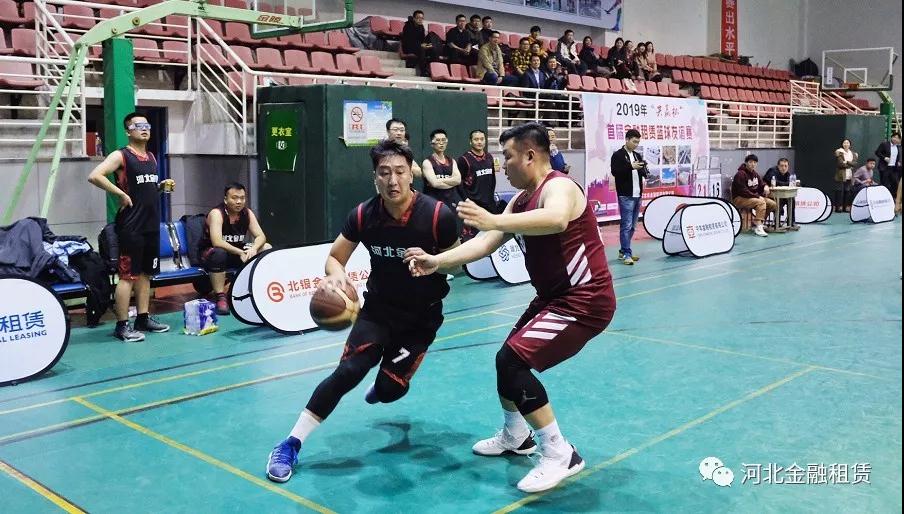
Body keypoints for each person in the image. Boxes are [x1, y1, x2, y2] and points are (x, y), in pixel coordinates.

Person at [404, 122, 616, 493]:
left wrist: (495, 219)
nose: (503, 165)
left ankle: (560, 453)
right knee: (506, 360)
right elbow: (485, 243)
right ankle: (516, 436)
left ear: (530, 156)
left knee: (512, 362)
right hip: (553, 299)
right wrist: (437, 261)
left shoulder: (560, 187)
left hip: (585, 300)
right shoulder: (520, 201)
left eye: (508, 156)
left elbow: (556, 219)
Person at [264, 139, 460, 483]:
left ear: (411, 174)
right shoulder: (362, 215)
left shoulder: (437, 216)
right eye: (384, 173)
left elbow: (458, 263)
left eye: (399, 171)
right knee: (348, 372)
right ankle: (290, 444)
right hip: (378, 311)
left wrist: (435, 262)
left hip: (421, 319)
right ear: (375, 178)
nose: (392, 180)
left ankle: (385, 384)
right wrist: (336, 277)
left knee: (389, 390)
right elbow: (335, 257)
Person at [87, 112, 173, 342]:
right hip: (131, 226)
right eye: (138, 126)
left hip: (151, 225)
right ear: (128, 131)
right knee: (128, 276)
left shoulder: (152, 157)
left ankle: (142, 318)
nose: (144, 129)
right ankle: (122, 325)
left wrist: (160, 186)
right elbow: (95, 176)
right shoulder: (121, 155)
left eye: (147, 125)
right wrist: (120, 194)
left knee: (145, 274)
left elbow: (143, 190)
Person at [200, 182, 272, 315]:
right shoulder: (217, 213)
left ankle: (257, 289)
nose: (239, 201)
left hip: (235, 252)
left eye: (242, 198)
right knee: (219, 253)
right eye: (234, 198)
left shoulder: (247, 213)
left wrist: (253, 249)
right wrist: (240, 252)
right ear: (225, 199)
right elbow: (217, 242)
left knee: (266, 248)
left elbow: (261, 236)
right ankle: (220, 296)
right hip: (211, 253)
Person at [610, 129, 647, 264]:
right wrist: (631, 166)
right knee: (626, 225)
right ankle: (627, 253)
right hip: (626, 195)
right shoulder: (618, 155)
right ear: (627, 140)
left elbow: (641, 172)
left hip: (637, 194)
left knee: (633, 226)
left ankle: (623, 250)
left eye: (638, 142)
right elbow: (615, 171)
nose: (636, 144)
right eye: (634, 141)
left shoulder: (637, 155)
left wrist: (643, 168)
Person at [732, 154, 776, 237]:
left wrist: (765, 186)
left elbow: (762, 183)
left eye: (755, 162)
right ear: (746, 163)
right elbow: (743, 191)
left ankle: (759, 222)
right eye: (750, 162)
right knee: (761, 202)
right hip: (739, 198)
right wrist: (757, 196)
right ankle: (758, 226)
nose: (753, 164)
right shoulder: (740, 174)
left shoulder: (755, 174)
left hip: (751, 197)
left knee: (772, 204)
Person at [762, 158, 799, 230]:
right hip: (768, 195)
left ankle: (791, 222)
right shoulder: (772, 171)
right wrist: (787, 184)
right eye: (782, 166)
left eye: (786, 166)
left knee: (791, 200)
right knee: (780, 200)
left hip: (780, 195)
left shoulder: (788, 174)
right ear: (778, 166)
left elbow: (790, 183)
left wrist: (787, 183)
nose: (784, 168)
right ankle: (777, 223)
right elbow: (776, 183)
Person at [400, 10, 437, 77]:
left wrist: (426, 44)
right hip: (408, 47)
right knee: (421, 49)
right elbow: (408, 41)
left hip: (418, 46)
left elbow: (422, 39)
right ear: (414, 18)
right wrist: (421, 45)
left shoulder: (421, 27)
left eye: (422, 18)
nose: (420, 20)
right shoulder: (408, 26)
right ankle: (423, 71)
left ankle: (433, 71)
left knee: (432, 44)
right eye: (418, 18)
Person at [834, 139, 858, 212]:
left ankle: (845, 207)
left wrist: (847, 162)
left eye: (847, 143)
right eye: (844, 143)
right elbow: (840, 164)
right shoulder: (839, 152)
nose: (846, 144)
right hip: (841, 175)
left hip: (850, 174)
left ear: (850, 144)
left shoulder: (853, 153)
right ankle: (838, 207)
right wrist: (850, 165)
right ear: (842, 144)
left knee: (847, 191)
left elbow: (855, 163)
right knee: (839, 191)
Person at [875, 132, 901, 198]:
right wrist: (884, 158)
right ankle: (883, 198)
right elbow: (877, 152)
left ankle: (892, 198)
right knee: (885, 184)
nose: (896, 139)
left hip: (893, 168)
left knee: (895, 183)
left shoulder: (898, 147)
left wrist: (897, 162)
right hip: (885, 168)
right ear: (891, 137)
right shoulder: (884, 144)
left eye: (898, 138)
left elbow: (897, 157)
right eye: (894, 137)